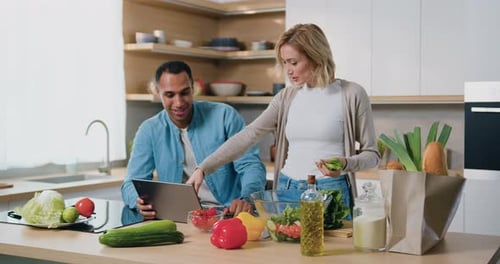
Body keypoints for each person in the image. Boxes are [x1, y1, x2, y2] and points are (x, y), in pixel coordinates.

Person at [188, 24, 380, 219]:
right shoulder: (286, 97)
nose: (288, 70)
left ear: (315, 57)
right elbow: (249, 134)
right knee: (280, 250)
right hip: (286, 189)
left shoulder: (351, 94)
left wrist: (346, 164)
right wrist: (204, 168)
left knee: (332, 249)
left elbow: (372, 155)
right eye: (285, 62)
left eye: (293, 62)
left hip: (330, 192)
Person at [121, 61, 267, 220]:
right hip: (180, 218)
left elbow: (250, 165)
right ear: (158, 92)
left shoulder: (224, 116)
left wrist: (246, 200)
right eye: (169, 95)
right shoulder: (149, 130)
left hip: (229, 215)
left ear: (193, 88)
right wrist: (138, 201)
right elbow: (130, 184)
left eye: (184, 93)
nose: (178, 103)